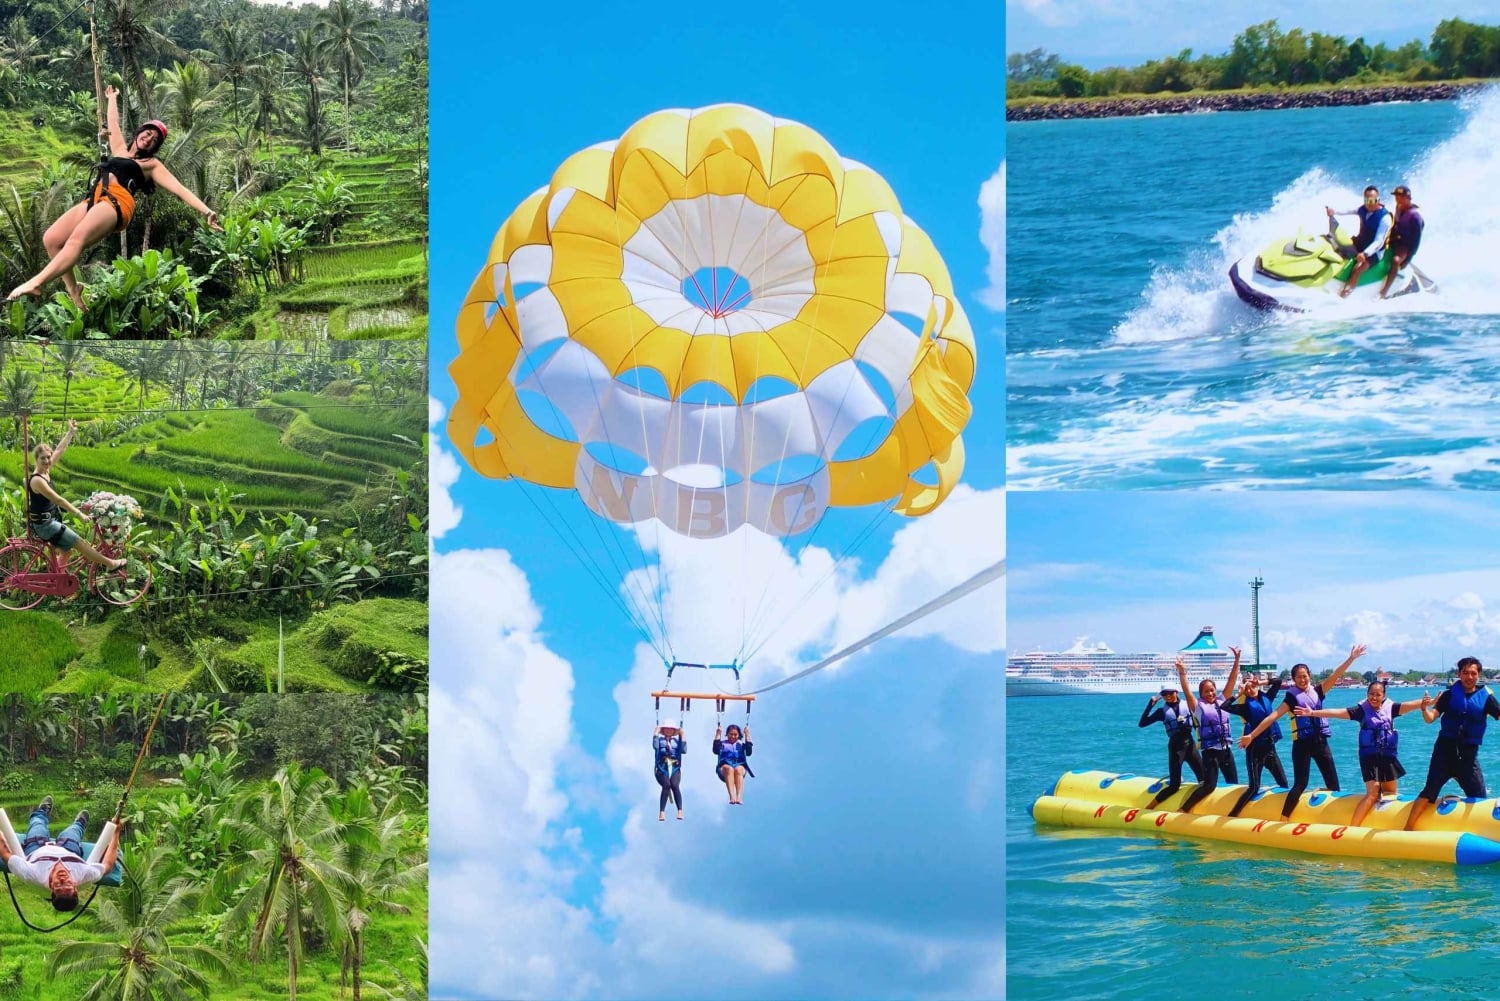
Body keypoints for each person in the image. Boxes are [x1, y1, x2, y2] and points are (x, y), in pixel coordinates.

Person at [6, 84, 222, 309]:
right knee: (51, 239)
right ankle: (74, 289)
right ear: (139, 133)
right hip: (95, 198)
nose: (149, 139)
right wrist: (111, 98)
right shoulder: (120, 150)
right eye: (147, 134)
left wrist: (206, 211)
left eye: (154, 140)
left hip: (117, 203)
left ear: (155, 147)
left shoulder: (151, 165)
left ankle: (37, 282)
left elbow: (179, 189)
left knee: (76, 239)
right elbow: (114, 125)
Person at [1239, 644, 1367, 821]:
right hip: (1302, 745)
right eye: (1298, 677)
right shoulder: (1292, 698)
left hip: (1321, 743)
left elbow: (1335, 675)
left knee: (1334, 785)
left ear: (1310, 676)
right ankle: (1284, 819)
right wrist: (1251, 735)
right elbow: (1273, 716)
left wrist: (1351, 658)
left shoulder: (1318, 691)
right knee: (1300, 784)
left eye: (1305, 676)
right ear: (1293, 679)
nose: (1302, 680)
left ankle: (1334, 819)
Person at [1293, 680, 1431, 827]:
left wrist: (1430, 701)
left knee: (1390, 794)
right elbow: (1337, 712)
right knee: (1373, 794)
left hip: (1388, 758)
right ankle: (1353, 827)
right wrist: (1313, 713)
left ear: (1384, 696)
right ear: (1367, 694)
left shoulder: (1391, 709)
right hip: (1369, 758)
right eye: (1371, 694)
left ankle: (1386, 824)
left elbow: (1411, 705)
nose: (1374, 697)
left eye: (1378, 694)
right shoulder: (1361, 711)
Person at [1404, 657, 1500, 831]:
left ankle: (1483, 831)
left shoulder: (1487, 698)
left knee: (1480, 797)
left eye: (1473, 673)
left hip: (1468, 755)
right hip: (1444, 752)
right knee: (1429, 791)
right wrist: (1423, 709)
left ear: (1478, 675)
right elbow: (1430, 719)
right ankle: (1407, 829)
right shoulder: (1449, 695)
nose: (1469, 677)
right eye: (1465, 673)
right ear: (1459, 674)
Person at [26, 419, 126, 570]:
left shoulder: (46, 470)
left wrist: (71, 432)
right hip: (44, 525)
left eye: (48, 457)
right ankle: (110, 564)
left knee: (66, 552)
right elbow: (57, 499)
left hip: (49, 521)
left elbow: (59, 449)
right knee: (79, 542)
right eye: (43, 458)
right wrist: (79, 514)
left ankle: (55, 582)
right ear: (36, 460)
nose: (47, 461)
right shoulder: (37, 481)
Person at [0, 796, 120, 911]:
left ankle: (42, 811)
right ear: (75, 887)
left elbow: (5, 853)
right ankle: (80, 823)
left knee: (37, 824)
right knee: (73, 832)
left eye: (58, 885)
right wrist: (116, 833)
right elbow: (108, 866)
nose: (62, 879)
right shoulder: (85, 875)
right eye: (67, 885)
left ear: (51, 889)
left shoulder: (32, 874)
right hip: (68, 851)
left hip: (37, 849)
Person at [1177, 648, 1243, 813]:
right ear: (1201, 694)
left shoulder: (1223, 701)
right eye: (1206, 691)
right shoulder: (1197, 706)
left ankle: (1232, 813)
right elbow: (1186, 691)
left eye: (1212, 690)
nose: (1210, 693)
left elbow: (1232, 680)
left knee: (1234, 785)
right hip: (1210, 752)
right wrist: (1182, 672)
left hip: (1226, 751)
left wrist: (1237, 659)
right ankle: (1184, 809)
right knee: (1209, 786)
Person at [1223, 669, 1289, 817]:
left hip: (1270, 749)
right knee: (1254, 787)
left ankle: (1283, 814)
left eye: (1252, 686)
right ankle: (1233, 815)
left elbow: (1278, 682)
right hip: (1255, 751)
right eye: (1247, 688)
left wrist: (1260, 682)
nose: (1251, 689)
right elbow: (1224, 707)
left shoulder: (1268, 698)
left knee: (1284, 784)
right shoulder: (1245, 707)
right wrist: (1238, 693)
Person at [1141, 685, 1204, 809]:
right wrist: (1151, 703)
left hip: (1190, 746)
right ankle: (1149, 807)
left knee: (1204, 780)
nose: (1168, 696)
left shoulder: (1188, 705)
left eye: (1171, 693)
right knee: (1175, 786)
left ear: (1177, 692)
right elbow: (1142, 723)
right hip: (1176, 749)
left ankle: (1194, 806)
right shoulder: (1161, 712)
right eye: (1164, 694)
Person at [1328, 186, 1392, 296]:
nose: (1370, 203)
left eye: (1373, 200)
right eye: (1367, 200)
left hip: (1374, 252)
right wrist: (1334, 211)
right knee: (1334, 245)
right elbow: (1349, 210)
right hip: (1361, 242)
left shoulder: (1385, 218)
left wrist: (1365, 253)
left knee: (1358, 268)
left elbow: (1379, 242)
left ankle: (1345, 294)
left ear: (1379, 200)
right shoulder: (1363, 209)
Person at [1379, 185, 1424, 300]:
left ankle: (1384, 291)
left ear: (1407, 197)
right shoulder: (1398, 206)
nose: (1396, 199)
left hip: (1406, 245)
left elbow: (1416, 241)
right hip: (1397, 239)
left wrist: (1408, 259)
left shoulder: (1415, 216)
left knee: (1395, 260)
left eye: (1399, 196)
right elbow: (1396, 224)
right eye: (1396, 196)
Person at [713, 723, 753, 805]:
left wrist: (748, 735)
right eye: (731, 734)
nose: (733, 736)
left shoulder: (741, 744)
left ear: (738, 735)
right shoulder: (723, 744)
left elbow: (749, 752)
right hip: (724, 768)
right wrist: (718, 734)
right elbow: (715, 750)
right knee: (729, 769)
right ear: (727, 734)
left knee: (738, 769)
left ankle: (739, 797)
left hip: (739, 765)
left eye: (735, 735)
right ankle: (732, 796)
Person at [653, 722, 685, 821]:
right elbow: (655, 746)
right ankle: (662, 811)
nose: (668, 730)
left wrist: (683, 736)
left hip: (674, 767)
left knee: (675, 785)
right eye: (666, 728)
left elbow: (683, 750)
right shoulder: (660, 740)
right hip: (662, 767)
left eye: (671, 729)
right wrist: (655, 733)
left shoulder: (676, 741)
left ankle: (680, 810)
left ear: (673, 731)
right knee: (666, 785)